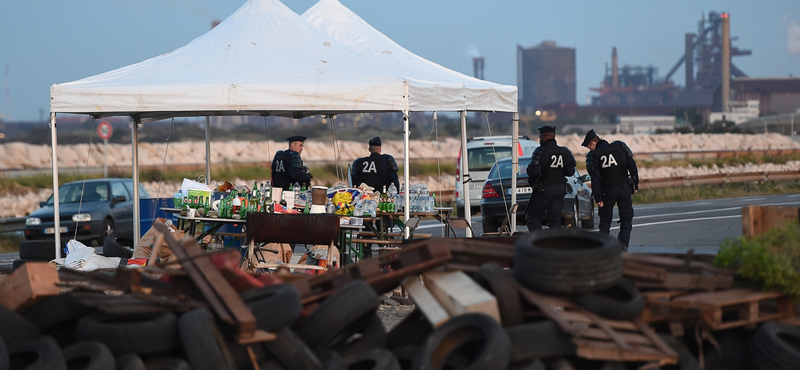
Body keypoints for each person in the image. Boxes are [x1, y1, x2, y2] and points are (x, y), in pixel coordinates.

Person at [581, 129, 639, 251]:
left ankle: (603, 247)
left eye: (589, 147)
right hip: (624, 188)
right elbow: (632, 166)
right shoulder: (620, 147)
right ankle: (623, 244)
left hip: (607, 191)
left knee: (605, 221)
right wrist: (635, 184)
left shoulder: (596, 155)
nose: (590, 150)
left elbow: (595, 178)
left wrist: (598, 198)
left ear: (592, 143)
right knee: (626, 218)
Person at [525, 125, 576, 231]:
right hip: (560, 189)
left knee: (532, 216)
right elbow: (571, 172)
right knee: (554, 219)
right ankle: (555, 243)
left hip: (545, 187)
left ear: (545, 137)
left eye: (540, 137)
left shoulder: (541, 151)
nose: (539, 140)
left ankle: (538, 242)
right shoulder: (564, 151)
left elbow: (534, 171)